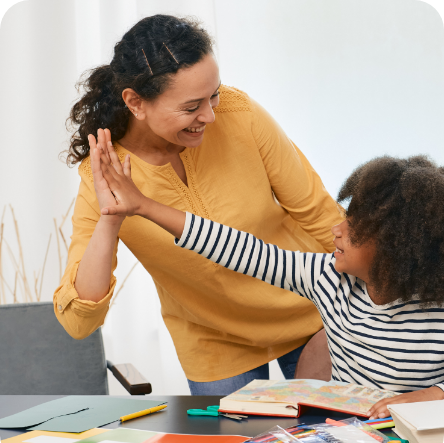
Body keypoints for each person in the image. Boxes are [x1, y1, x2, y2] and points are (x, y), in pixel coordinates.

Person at [54, 14, 343, 395]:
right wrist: (110, 218)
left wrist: (358, 312)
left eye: (214, 95)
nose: (209, 115)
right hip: (214, 342)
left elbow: (320, 214)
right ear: (135, 102)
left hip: (311, 314)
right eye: (191, 107)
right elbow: (79, 321)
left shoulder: (239, 114)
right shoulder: (104, 175)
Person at [95, 149, 444, 418]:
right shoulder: (327, 278)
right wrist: (143, 206)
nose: (337, 228)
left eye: (354, 227)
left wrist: (433, 395)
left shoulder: (436, 309)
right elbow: (241, 249)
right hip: (345, 435)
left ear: (398, 246)